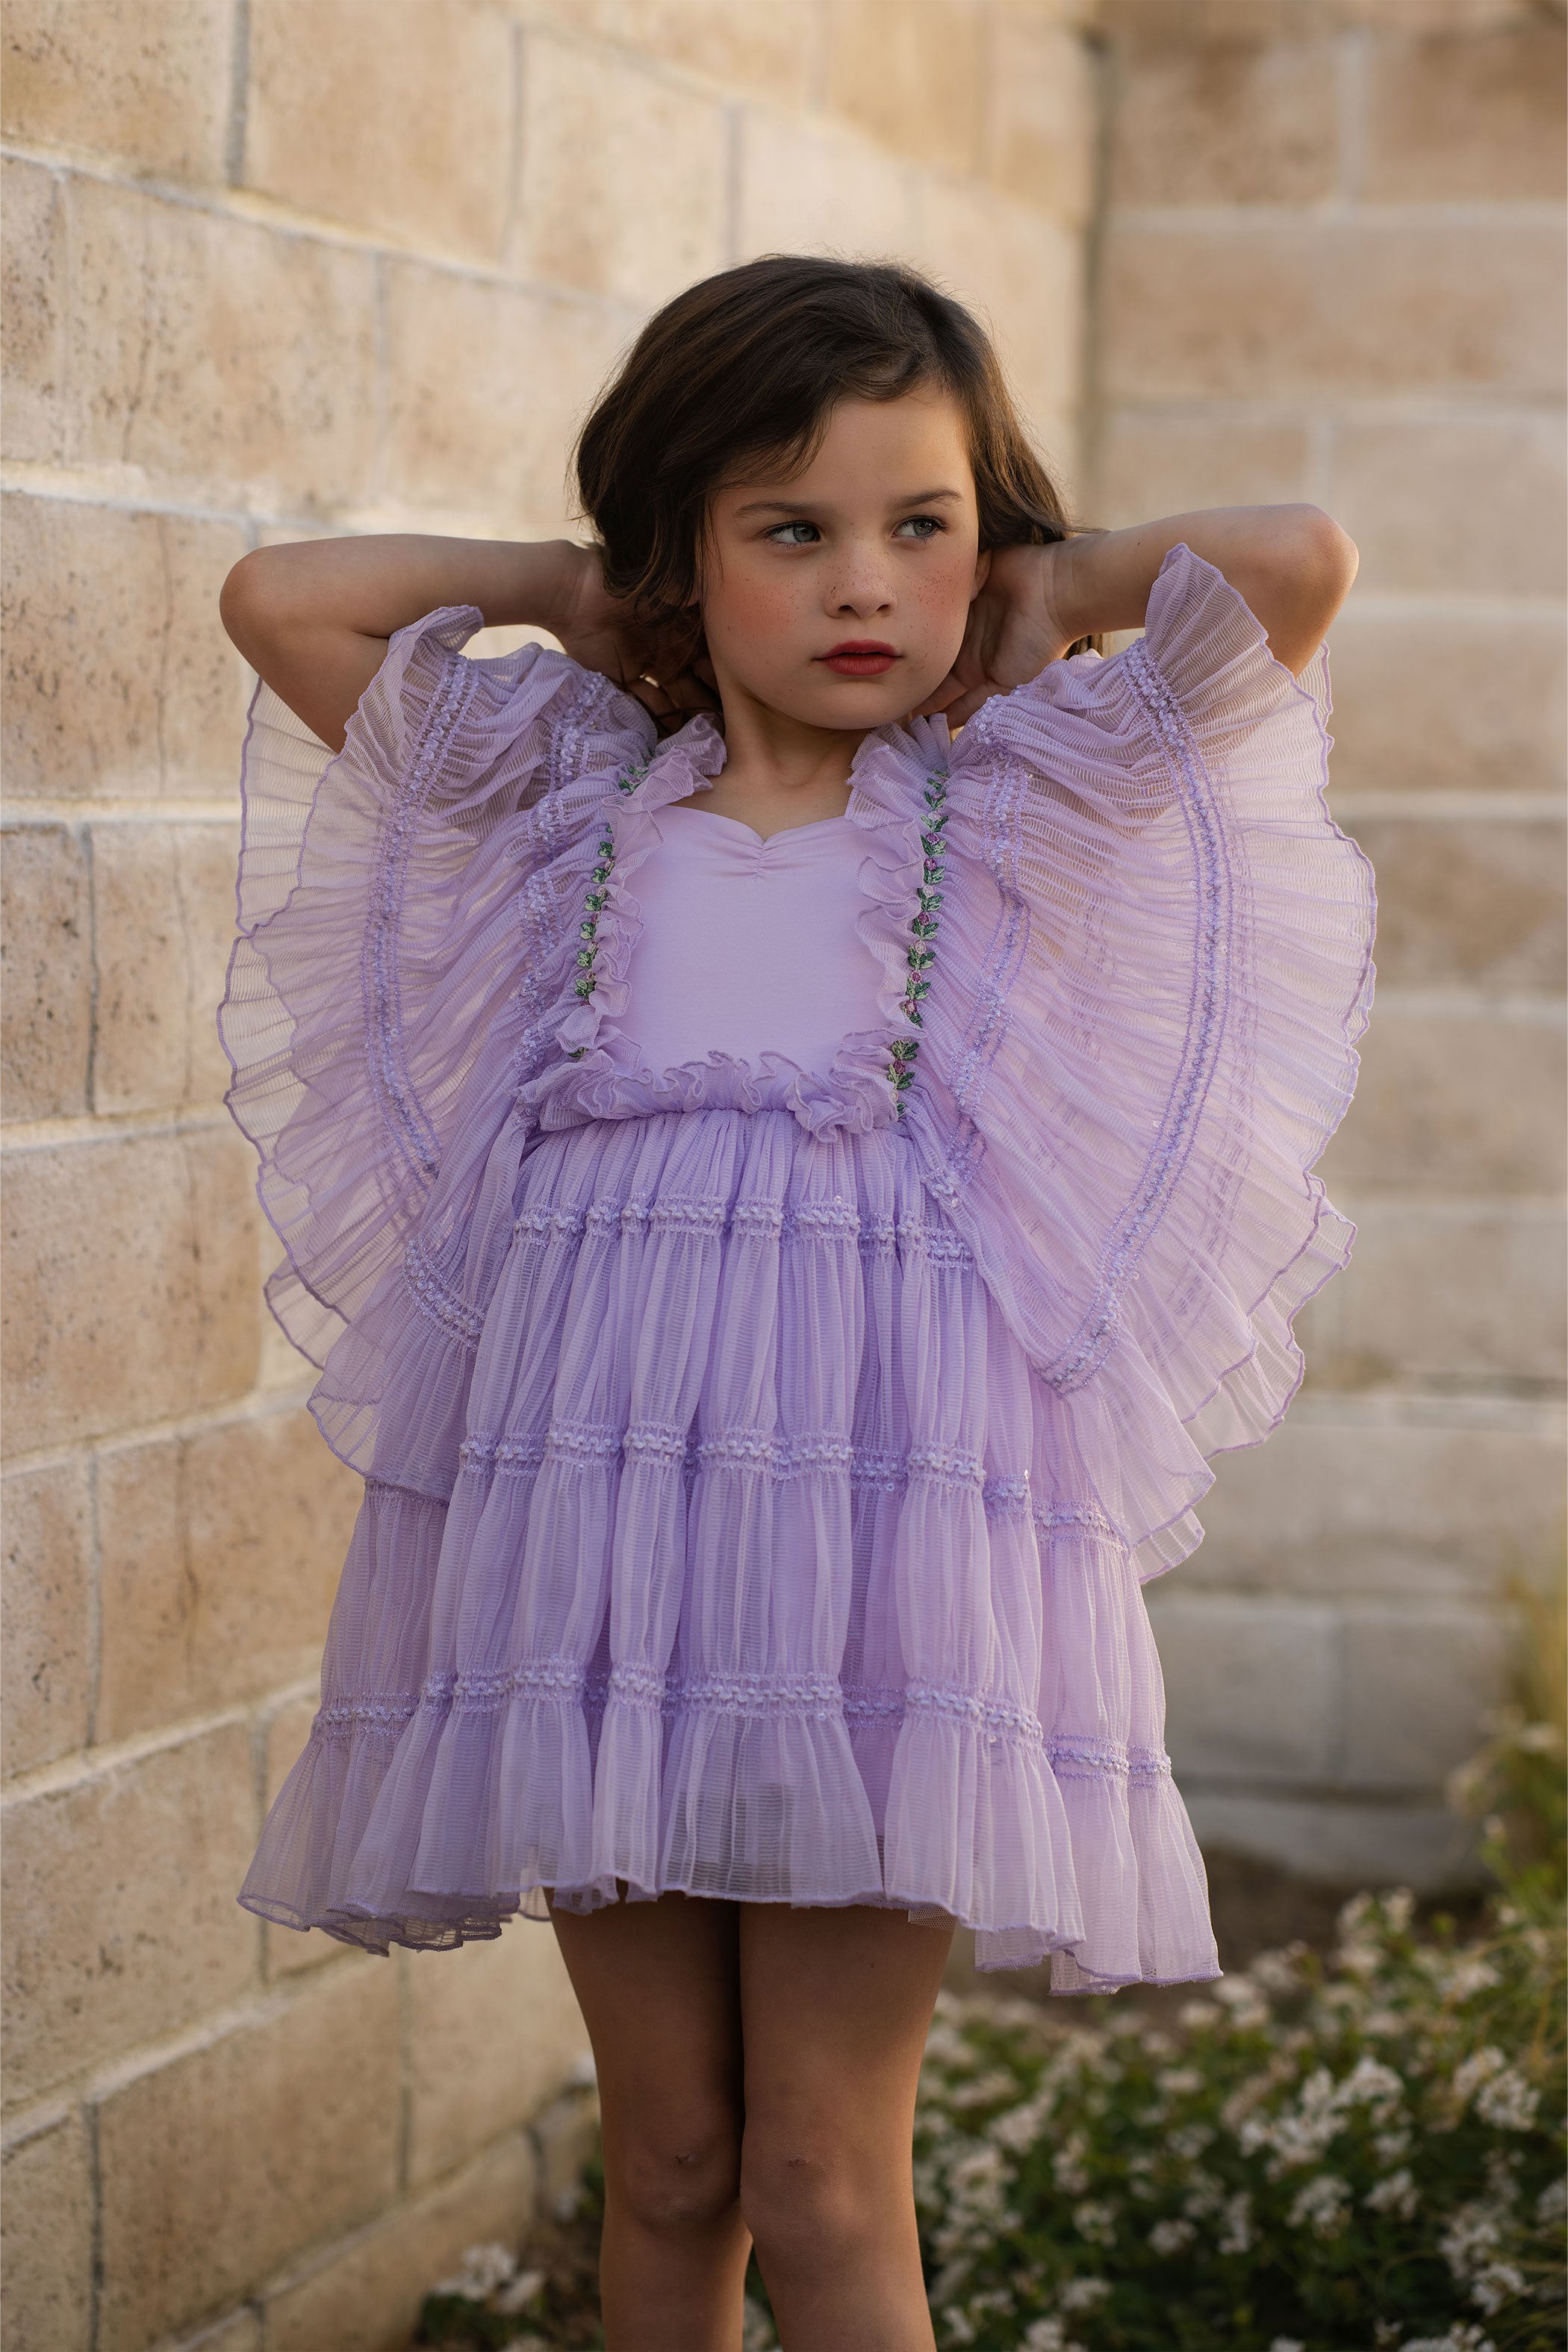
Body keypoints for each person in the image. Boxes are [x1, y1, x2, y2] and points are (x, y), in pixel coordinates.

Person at [217, 255, 1372, 2351]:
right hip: (605, 1566)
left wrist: (1034, 584)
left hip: (879, 1565)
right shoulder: (571, 801)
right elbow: (287, 600)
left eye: (914, 527)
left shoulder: (1018, 795)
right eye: (791, 530)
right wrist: (583, 595)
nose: (866, 582)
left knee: (824, 2176)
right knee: (666, 2161)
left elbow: (1290, 565)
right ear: (685, 552)